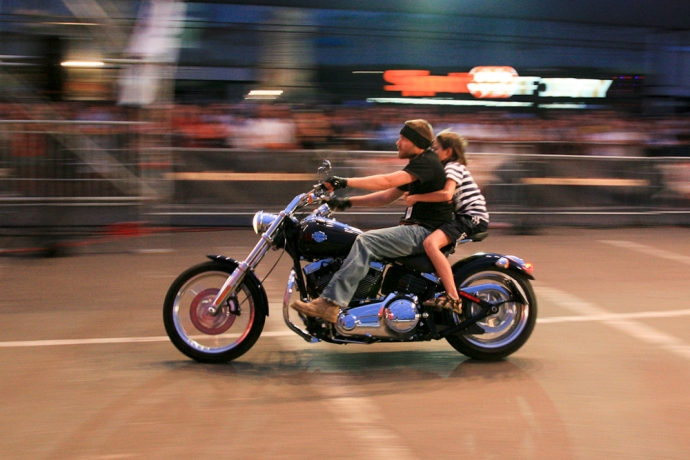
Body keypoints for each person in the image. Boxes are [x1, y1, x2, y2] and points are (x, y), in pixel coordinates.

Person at [290, 119, 453, 323]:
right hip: (417, 229)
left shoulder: (426, 163)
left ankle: (330, 303)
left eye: (403, 138)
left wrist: (344, 182)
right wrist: (345, 202)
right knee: (359, 239)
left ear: (416, 142)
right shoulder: (420, 165)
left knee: (366, 241)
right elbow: (385, 197)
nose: (397, 143)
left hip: (425, 231)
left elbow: (386, 181)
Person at [403, 130, 489, 312]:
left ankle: (453, 297)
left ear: (448, 152)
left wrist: (416, 197)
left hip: (472, 217)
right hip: (463, 216)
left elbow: (446, 194)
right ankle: (436, 287)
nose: (433, 153)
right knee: (430, 245)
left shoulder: (453, 167)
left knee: (430, 244)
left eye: (436, 149)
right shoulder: (447, 169)